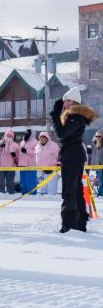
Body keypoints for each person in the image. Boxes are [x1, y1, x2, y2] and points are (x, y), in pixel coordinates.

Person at [51, 87, 98, 233]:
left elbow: (61, 133)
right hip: (72, 156)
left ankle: (69, 222)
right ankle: (79, 222)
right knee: (76, 190)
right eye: (65, 100)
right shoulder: (73, 116)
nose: (65, 103)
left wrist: (55, 115)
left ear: (76, 102)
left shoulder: (75, 116)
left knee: (69, 191)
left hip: (72, 157)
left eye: (69, 100)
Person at [35, 131, 60, 195]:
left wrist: (55, 166)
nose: (42, 139)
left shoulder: (54, 145)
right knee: (43, 189)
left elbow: (60, 156)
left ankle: (52, 201)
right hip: (40, 172)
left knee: (52, 189)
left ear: (47, 138)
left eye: (44, 137)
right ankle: (43, 202)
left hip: (51, 171)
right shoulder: (37, 146)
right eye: (41, 137)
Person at [17, 129, 38, 195]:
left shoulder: (36, 142)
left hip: (30, 165)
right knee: (23, 181)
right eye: (25, 133)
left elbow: (37, 153)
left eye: (28, 133)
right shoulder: (22, 142)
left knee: (31, 180)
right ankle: (24, 193)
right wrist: (18, 162)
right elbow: (20, 154)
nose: (26, 134)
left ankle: (32, 194)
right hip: (22, 164)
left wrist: (26, 151)